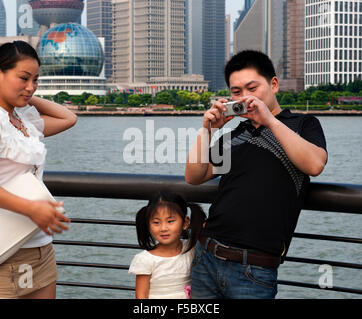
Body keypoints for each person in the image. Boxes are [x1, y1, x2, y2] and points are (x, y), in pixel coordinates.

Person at [185, 50, 328, 299]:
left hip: (255, 267)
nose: (245, 97)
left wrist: (270, 121)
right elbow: (195, 176)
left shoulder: (303, 124)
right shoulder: (233, 135)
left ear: (273, 84)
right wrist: (207, 130)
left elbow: (315, 164)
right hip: (205, 257)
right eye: (237, 92)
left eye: (252, 88)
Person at [0, 41, 77, 299]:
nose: (31, 86)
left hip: (41, 248)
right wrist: (32, 208)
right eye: (23, 77)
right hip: (3, 251)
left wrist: (23, 94)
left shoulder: (22, 121)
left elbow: (69, 118)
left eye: (35, 80)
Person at [128, 191, 206, 299]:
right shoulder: (145, 259)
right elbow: (141, 296)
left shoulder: (190, 249)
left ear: (185, 223)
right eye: (156, 222)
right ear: (148, 225)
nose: (163, 228)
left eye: (170, 221)